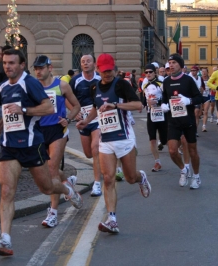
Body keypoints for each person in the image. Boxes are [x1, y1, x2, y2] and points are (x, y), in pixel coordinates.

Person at [0, 49, 82, 256]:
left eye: (12, 63)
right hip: (9, 146)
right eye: (4, 63)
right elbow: (9, 109)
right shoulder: (3, 85)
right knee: (6, 191)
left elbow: (48, 108)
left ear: (21, 65)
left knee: (47, 187)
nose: (7, 67)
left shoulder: (30, 83)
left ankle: (68, 190)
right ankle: (5, 239)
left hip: (31, 144)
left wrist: (26, 111)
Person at [76, 53, 151, 234]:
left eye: (110, 70)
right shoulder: (95, 88)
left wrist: (116, 106)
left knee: (130, 177)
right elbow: (95, 108)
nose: (107, 74)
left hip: (124, 138)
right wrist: (86, 121)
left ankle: (141, 177)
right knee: (108, 179)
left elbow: (137, 105)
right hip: (106, 141)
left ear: (114, 69)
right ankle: (112, 219)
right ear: (98, 70)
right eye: (104, 71)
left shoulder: (121, 84)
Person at [33, 55, 81, 228]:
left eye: (41, 68)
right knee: (48, 171)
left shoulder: (61, 85)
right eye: (36, 68)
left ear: (50, 68)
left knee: (52, 170)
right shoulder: (33, 86)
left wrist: (68, 119)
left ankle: (53, 213)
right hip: (39, 131)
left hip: (57, 131)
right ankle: (67, 184)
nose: (38, 71)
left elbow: (76, 106)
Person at [161, 53, 203, 189]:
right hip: (173, 120)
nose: (171, 65)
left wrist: (188, 100)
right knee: (172, 151)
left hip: (188, 120)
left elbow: (199, 98)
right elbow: (164, 97)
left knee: (192, 151)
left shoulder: (188, 80)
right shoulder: (166, 81)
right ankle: (183, 169)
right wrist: (163, 105)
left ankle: (196, 177)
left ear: (180, 65)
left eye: (174, 62)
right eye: (170, 63)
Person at [69, 55, 103, 196]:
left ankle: (97, 184)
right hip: (83, 120)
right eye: (83, 61)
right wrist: (74, 111)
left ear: (94, 63)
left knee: (95, 149)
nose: (85, 63)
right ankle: (108, 160)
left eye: (88, 61)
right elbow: (67, 97)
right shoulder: (75, 81)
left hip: (98, 119)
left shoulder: (100, 79)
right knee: (88, 154)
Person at [142, 63, 167, 172]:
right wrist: (142, 104)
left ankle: (164, 141)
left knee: (164, 139)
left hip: (162, 113)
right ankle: (157, 162)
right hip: (151, 113)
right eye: (146, 72)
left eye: (150, 72)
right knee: (152, 138)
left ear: (154, 72)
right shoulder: (144, 83)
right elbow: (144, 96)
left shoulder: (161, 82)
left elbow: (167, 96)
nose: (148, 74)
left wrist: (159, 102)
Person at [189, 65, 205, 135]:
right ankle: (190, 129)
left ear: (197, 71)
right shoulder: (189, 78)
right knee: (191, 114)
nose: (193, 72)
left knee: (196, 114)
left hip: (197, 98)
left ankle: (195, 130)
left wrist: (202, 90)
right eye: (192, 71)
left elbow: (203, 86)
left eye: (194, 71)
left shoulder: (200, 78)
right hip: (190, 98)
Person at [201, 68, 211, 132]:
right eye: (203, 71)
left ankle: (204, 126)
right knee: (199, 113)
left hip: (207, 96)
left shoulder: (210, 79)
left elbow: (213, 86)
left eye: (205, 71)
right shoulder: (199, 79)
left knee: (206, 111)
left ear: (207, 72)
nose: (204, 73)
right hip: (200, 97)